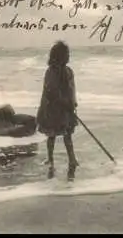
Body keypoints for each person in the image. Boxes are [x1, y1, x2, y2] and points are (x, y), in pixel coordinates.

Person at [37, 41, 79, 181]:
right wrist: (62, 102)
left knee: (68, 134)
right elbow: (50, 91)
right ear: (59, 56)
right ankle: (50, 159)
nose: (68, 56)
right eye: (66, 54)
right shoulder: (51, 71)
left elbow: (72, 89)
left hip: (66, 108)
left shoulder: (68, 71)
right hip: (53, 108)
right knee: (52, 135)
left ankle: (72, 159)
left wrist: (73, 102)